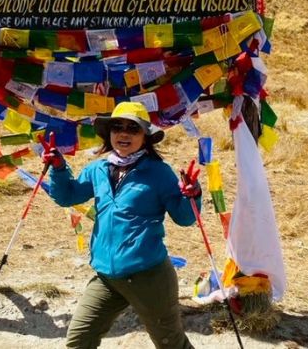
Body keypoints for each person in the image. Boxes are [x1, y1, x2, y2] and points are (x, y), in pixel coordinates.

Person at [42, 102, 202, 349]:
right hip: (107, 277)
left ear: (145, 137)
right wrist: (59, 169)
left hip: (149, 278)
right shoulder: (98, 169)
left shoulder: (159, 173)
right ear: (109, 133)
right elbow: (67, 196)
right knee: (79, 341)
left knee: (171, 344)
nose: (124, 133)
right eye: (117, 127)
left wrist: (193, 195)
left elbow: (185, 218)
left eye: (133, 128)